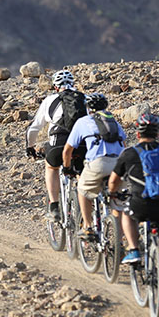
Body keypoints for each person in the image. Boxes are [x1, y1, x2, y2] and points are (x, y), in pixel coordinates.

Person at [108, 113, 159, 304]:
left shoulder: (129, 153)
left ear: (137, 134)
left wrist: (113, 193)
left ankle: (134, 249)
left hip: (140, 204)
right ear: (158, 133)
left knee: (127, 214)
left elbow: (113, 182)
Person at [25, 69, 87, 221]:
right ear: (73, 84)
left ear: (55, 86)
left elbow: (34, 128)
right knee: (80, 171)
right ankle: (85, 212)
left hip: (58, 142)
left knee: (51, 166)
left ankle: (54, 206)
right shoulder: (84, 98)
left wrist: (30, 146)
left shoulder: (50, 100)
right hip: (81, 142)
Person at [63, 92, 126, 237]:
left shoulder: (83, 121)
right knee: (117, 200)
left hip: (98, 164)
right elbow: (123, 144)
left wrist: (67, 168)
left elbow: (67, 150)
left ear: (88, 108)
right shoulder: (114, 122)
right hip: (119, 165)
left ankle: (88, 226)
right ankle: (119, 241)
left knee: (82, 189)